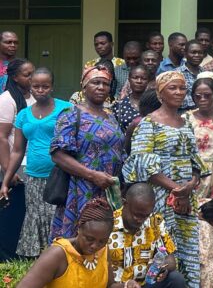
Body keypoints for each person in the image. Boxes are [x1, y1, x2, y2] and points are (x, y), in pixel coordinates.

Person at [123, 71, 207, 288]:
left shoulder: (186, 123)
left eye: (182, 88)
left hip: (186, 198)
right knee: (161, 247)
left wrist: (190, 185)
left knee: (188, 247)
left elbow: (195, 161)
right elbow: (143, 165)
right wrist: (177, 189)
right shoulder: (148, 123)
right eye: (173, 88)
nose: (179, 92)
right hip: (159, 197)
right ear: (160, 93)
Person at [50, 65, 125, 241]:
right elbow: (58, 155)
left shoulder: (111, 116)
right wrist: (92, 175)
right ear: (84, 86)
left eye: (105, 84)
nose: (101, 87)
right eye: (95, 83)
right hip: (80, 189)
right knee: (80, 237)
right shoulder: (71, 114)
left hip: (108, 190)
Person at [0, 67, 66, 257]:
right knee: (35, 216)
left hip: (58, 176)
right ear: (31, 86)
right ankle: (37, 260)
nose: (40, 90)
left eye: (45, 86)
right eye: (36, 86)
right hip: (33, 177)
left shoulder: (65, 109)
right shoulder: (24, 114)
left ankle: (58, 258)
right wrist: (6, 181)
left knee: (55, 217)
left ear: (52, 87)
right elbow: (17, 151)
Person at [16, 198, 113, 288]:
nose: (95, 246)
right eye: (89, 239)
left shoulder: (103, 251)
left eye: (102, 241)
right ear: (79, 228)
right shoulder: (58, 255)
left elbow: (110, 285)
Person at [107, 183, 185, 288]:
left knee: (175, 279)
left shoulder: (155, 222)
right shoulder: (108, 224)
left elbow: (171, 260)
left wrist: (162, 268)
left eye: (145, 216)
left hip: (145, 283)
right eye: (136, 214)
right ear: (124, 203)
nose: (140, 220)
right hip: (117, 285)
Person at [0, 58, 34, 260]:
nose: (32, 77)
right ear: (14, 77)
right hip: (12, 168)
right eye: (27, 75)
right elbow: (2, 137)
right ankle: (7, 257)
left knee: (24, 213)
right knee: (11, 214)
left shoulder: (34, 97)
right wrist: (8, 171)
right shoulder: (7, 100)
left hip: (29, 166)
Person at [113, 65, 150, 140]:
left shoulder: (155, 103)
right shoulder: (119, 105)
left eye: (143, 78)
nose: (139, 81)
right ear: (129, 80)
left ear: (148, 81)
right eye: (135, 78)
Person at [175, 40, 204, 111]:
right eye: (193, 52)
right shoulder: (176, 74)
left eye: (200, 53)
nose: (197, 55)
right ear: (185, 54)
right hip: (182, 112)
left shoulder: (206, 73)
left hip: (203, 112)